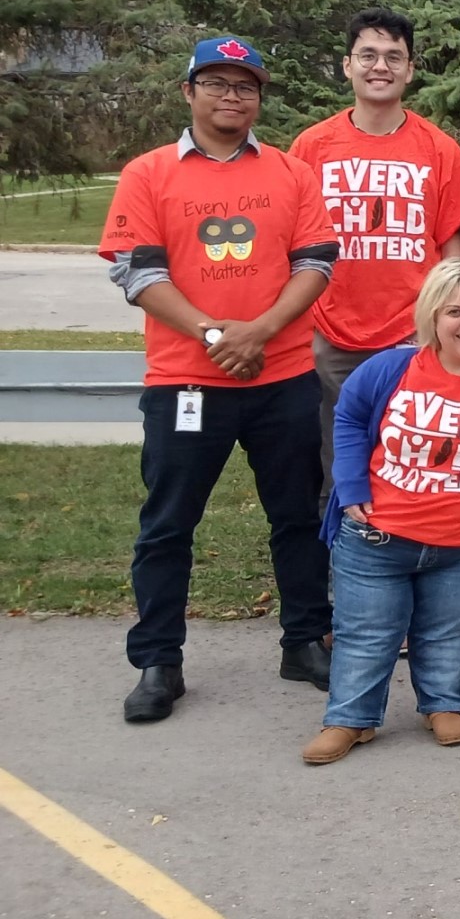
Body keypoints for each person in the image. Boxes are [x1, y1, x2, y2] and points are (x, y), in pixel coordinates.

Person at [103, 36, 342, 724]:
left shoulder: (292, 174)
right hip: (185, 382)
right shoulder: (148, 174)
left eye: (245, 86)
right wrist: (215, 334)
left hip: (284, 376)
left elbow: (317, 264)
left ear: (259, 98)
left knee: (297, 517)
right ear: (189, 92)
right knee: (168, 525)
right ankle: (158, 661)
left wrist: (258, 332)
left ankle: (304, 641)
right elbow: (138, 274)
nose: (232, 96)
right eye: (217, 83)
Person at [306, 257, 460, 764]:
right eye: (455, 311)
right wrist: (351, 486)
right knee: (365, 633)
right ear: (432, 317)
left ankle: (441, 704)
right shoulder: (388, 369)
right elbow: (349, 419)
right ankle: (351, 718)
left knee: (448, 630)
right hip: (377, 539)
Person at [291, 8, 460, 510]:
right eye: (368, 55)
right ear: (347, 65)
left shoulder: (440, 150)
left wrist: (439, 323)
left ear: (410, 68)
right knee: (338, 461)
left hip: (410, 331)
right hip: (329, 333)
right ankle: (342, 572)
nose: (381, 66)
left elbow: (452, 251)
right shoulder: (312, 146)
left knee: (410, 454)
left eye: (394, 57)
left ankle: (409, 557)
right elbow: (295, 245)